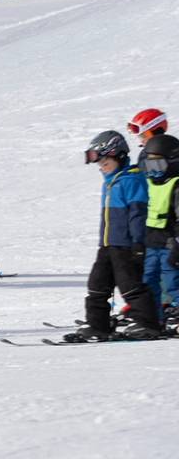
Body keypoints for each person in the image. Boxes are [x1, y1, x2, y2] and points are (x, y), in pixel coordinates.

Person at [66, 130, 162, 341]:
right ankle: (98, 325)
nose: (101, 166)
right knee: (97, 285)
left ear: (118, 155)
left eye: (105, 161)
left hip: (126, 246)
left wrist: (138, 243)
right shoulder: (111, 181)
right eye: (99, 163)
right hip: (108, 245)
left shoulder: (131, 180)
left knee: (131, 285)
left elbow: (137, 214)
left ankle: (148, 323)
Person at [140, 133, 177, 323]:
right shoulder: (150, 183)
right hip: (152, 241)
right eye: (150, 165)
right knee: (148, 280)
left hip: (170, 242)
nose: (153, 171)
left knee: (172, 281)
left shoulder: (176, 185)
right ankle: (154, 318)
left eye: (158, 165)